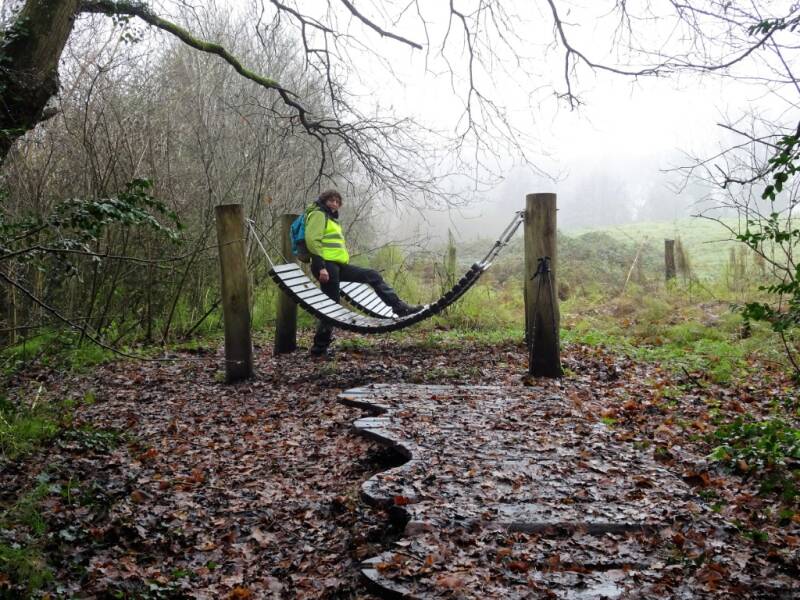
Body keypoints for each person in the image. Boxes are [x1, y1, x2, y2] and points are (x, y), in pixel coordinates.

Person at [306, 189, 422, 356]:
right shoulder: (318, 214)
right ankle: (319, 348)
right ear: (324, 201)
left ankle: (399, 308)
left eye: (337, 201)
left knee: (372, 275)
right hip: (326, 266)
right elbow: (312, 240)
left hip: (338, 266)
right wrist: (320, 267)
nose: (334, 204)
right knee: (331, 305)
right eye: (331, 200)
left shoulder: (331, 219)